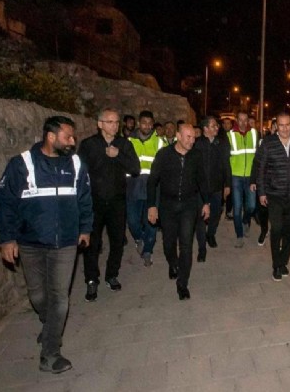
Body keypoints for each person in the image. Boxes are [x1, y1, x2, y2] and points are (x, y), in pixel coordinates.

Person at [0, 115, 92, 373]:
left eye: (73, 136)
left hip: (65, 243)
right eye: (67, 136)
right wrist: (7, 238)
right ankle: (51, 327)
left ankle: (50, 354)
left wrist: (85, 229)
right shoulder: (21, 164)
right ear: (50, 136)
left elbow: (84, 198)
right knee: (38, 296)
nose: (72, 141)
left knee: (60, 298)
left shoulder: (76, 164)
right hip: (30, 242)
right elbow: (5, 203)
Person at [77, 108, 140, 302]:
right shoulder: (88, 145)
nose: (115, 126)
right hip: (94, 201)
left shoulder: (123, 144)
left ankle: (112, 274)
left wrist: (118, 155)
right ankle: (91, 279)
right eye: (110, 122)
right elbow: (80, 173)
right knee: (91, 243)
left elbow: (135, 168)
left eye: (116, 122)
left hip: (117, 200)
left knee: (117, 241)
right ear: (100, 124)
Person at [147, 123, 210, 300]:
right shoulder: (164, 155)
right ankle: (173, 264)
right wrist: (151, 205)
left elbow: (202, 181)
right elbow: (152, 181)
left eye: (194, 138)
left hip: (189, 205)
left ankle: (182, 283)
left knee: (186, 244)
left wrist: (206, 203)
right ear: (178, 136)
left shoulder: (196, 156)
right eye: (188, 137)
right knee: (168, 243)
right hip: (168, 205)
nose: (192, 141)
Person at [252, 112, 290, 281]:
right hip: (274, 194)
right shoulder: (268, 143)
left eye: (287, 125)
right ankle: (276, 265)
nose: (284, 129)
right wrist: (261, 191)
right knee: (276, 229)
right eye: (281, 125)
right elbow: (261, 169)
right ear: (276, 126)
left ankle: (283, 261)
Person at [127, 110, 166, 266]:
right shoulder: (129, 141)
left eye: (150, 123)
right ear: (138, 123)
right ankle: (138, 238)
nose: (147, 126)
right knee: (133, 221)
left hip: (153, 189)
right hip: (133, 187)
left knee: (151, 221)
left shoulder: (160, 142)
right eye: (144, 123)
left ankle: (148, 250)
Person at [193, 116, 231, 256]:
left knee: (216, 213)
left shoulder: (221, 143)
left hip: (216, 187)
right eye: (214, 125)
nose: (217, 127)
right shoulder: (196, 144)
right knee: (201, 217)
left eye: (217, 125)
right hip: (199, 189)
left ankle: (211, 234)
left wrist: (227, 184)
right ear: (205, 128)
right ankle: (202, 248)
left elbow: (226, 165)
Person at [227, 110, 258, 248]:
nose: (244, 123)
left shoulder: (254, 133)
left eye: (246, 120)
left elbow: (258, 157)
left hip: (250, 177)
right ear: (236, 121)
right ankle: (239, 236)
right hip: (236, 177)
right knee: (237, 207)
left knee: (251, 206)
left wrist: (256, 176)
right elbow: (226, 159)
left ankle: (246, 221)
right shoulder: (230, 135)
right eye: (241, 120)